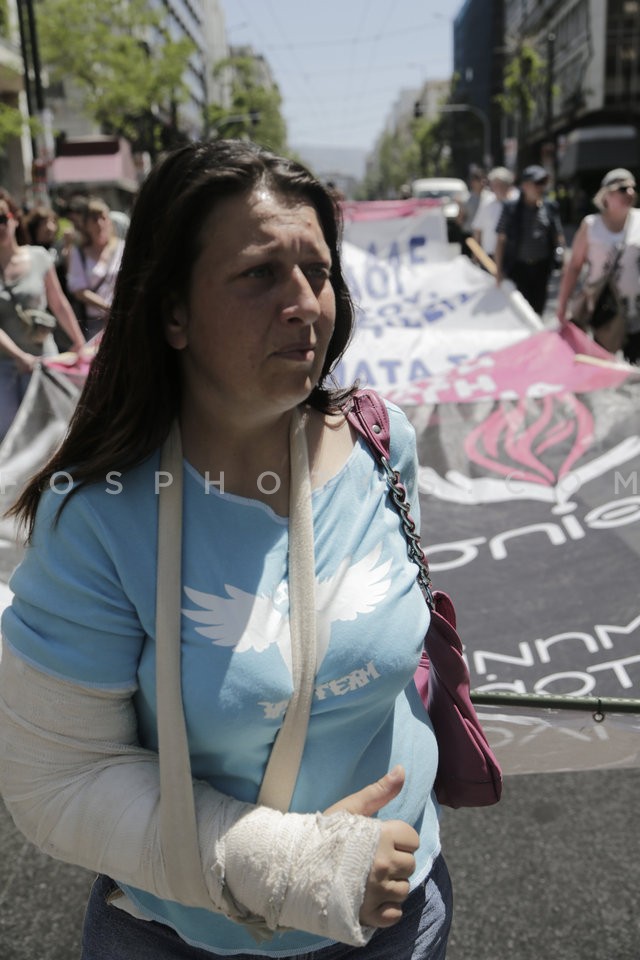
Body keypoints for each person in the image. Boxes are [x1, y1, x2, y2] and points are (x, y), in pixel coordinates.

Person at [0, 140, 452, 960]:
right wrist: (296, 868)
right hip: (183, 940)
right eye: (259, 275)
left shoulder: (385, 444)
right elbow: (57, 782)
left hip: (400, 919)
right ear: (172, 311)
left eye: (317, 272)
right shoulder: (98, 519)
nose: (305, 302)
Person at [0, 190, 86, 441]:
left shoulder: (39, 256)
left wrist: (79, 342)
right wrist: (19, 357)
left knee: (53, 433)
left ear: (14, 218)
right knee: (9, 436)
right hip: (5, 367)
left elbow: (59, 304)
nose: (0, 227)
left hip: (44, 362)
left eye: (2, 218)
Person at [556, 167, 640, 362]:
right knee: (602, 362)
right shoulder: (591, 225)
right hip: (604, 309)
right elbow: (574, 266)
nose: (630, 193)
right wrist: (562, 305)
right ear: (606, 195)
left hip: (636, 310)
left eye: (632, 188)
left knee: (634, 371)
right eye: (622, 189)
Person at [494, 164, 565, 315]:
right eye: (537, 183)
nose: (541, 187)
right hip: (517, 269)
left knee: (538, 308)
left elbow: (558, 235)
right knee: (520, 311)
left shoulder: (550, 207)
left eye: (543, 183)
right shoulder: (510, 208)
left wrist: (562, 261)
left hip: (541, 268)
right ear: (525, 186)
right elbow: (501, 239)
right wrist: (498, 271)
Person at [66, 197, 125, 340]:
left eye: (103, 218)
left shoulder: (122, 248)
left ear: (109, 221)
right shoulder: (79, 252)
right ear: (86, 225)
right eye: (94, 219)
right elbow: (79, 291)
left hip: (123, 319)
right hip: (95, 323)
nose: (99, 224)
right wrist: (108, 308)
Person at [471, 167, 516, 259]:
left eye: (500, 185)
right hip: (488, 255)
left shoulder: (515, 202)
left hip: (510, 255)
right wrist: (476, 254)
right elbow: (478, 229)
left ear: (507, 185)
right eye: (494, 185)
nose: (497, 188)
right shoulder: (487, 202)